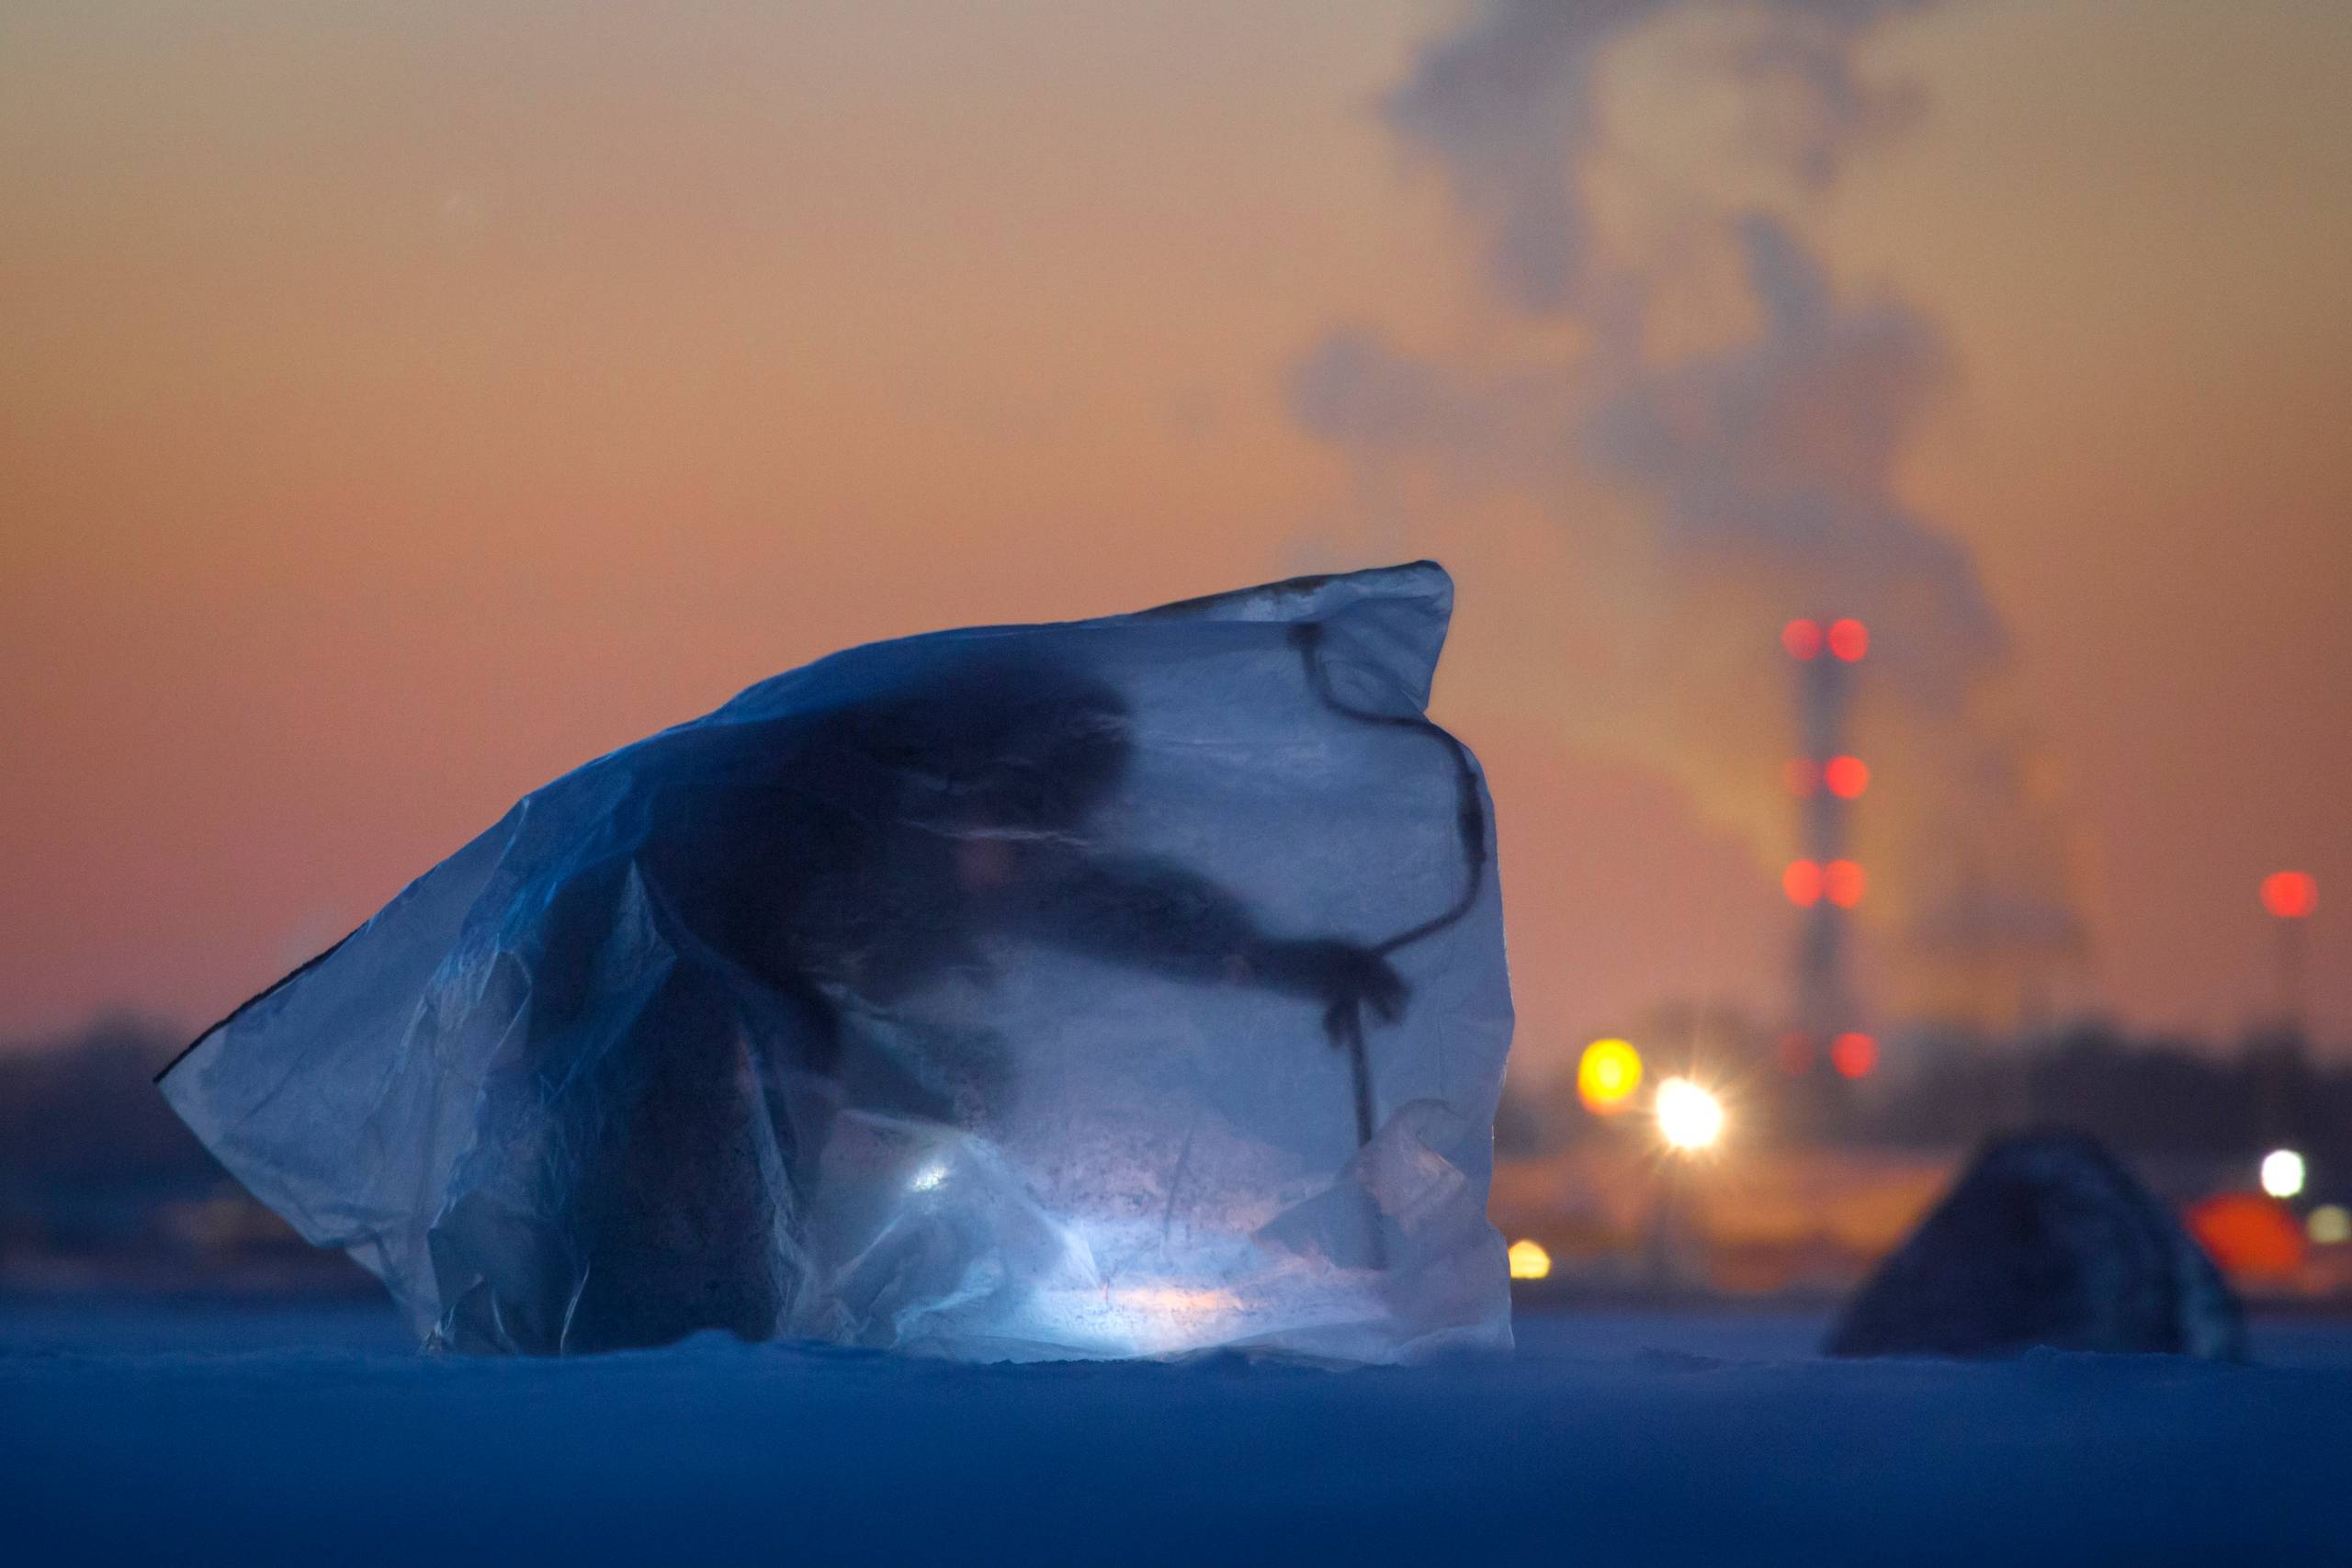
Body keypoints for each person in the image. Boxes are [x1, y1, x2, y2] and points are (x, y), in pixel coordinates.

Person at [427, 648, 1408, 1352]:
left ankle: (765, 1317)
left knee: (945, 1089)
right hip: (625, 992)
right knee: (682, 1185)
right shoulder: (793, 804)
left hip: (734, 1014)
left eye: (1048, 829)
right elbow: (701, 966)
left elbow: (1103, 902)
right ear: (970, 780)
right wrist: (792, 1061)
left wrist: (1275, 961)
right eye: (1017, 819)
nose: (1019, 862)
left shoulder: (962, 830)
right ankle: (651, 1349)